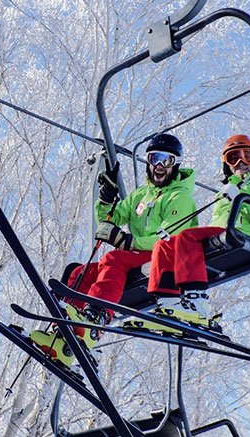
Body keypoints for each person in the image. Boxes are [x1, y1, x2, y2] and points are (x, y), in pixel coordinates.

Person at [29, 133, 199, 366]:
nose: (159, 166)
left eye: (166, 160)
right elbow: (109, 218)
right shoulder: (142, 194)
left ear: (175, 164)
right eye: (154, 158)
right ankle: (65, 336)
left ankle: (96, 317)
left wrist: (127, 242)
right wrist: (106, 199)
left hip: (167, 257)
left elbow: (170, 239)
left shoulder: (180, 197)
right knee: (81, 273)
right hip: (139, 256)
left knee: (114, 258)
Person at [132, 134, 250, 334]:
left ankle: (197, 302)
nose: (241, 163)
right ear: (226, 164)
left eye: (248, 156)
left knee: (186, 236)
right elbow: (215, 222)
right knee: (165, 244)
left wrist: (241, 200)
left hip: (244, 235)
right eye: (233, 158)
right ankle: (169, 303)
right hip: (222, 236)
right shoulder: (227, 189)